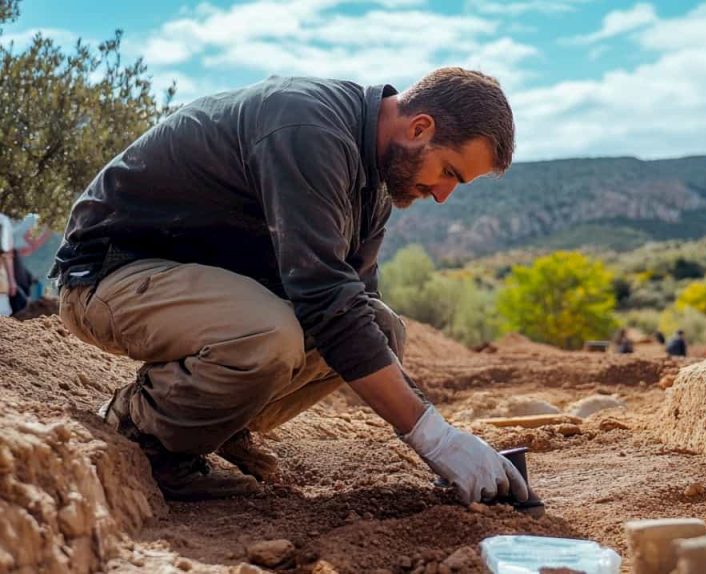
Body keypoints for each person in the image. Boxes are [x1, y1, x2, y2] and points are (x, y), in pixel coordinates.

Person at [51, 67, 528, 505]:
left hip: (195, 288)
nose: (444, 196)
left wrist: (445, 433)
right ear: (419, 128)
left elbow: (354, 309)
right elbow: (325, 300)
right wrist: (435, 439)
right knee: (268, 335)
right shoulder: (309, 130)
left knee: (381, 330)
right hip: (108, 275)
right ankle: (140, 432)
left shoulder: (371, 183)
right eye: (448, 172)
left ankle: (213, 425)